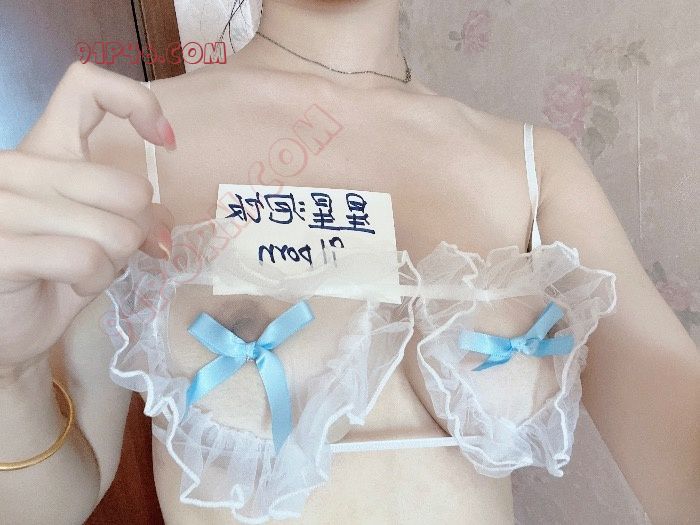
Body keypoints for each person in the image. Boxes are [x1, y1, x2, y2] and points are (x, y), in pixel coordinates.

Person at [0, 1, 698, 523]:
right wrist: (7, 375)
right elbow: (48, 506)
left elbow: (680, 438)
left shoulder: (535, 165)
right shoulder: (130, 141)